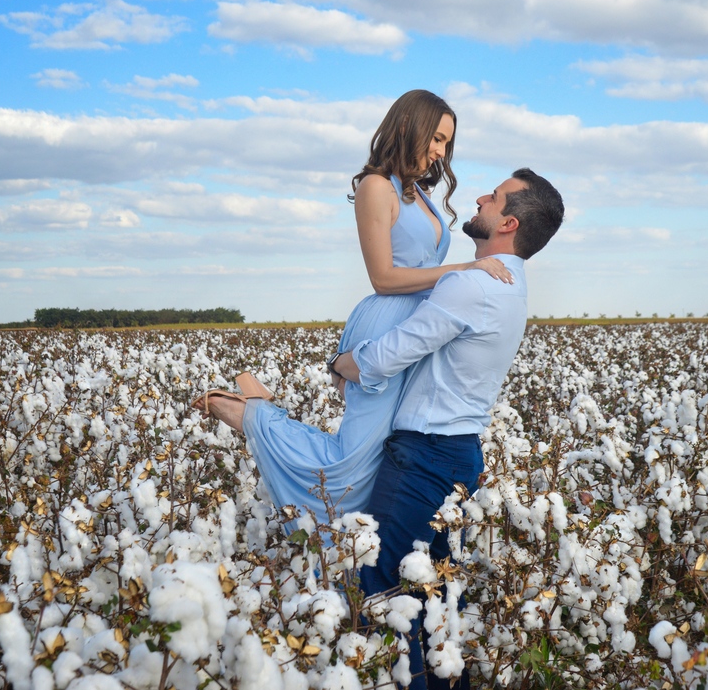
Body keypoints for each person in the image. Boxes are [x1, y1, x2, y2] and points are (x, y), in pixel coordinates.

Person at [194, 89, 512, 523]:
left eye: (446, 143)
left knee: (381, 456)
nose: (441, 151)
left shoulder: (417, 191)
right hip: (386, 322)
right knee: (353, 463)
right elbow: (382, 277)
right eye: (436, 138)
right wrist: (466, 270)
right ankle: (250, 413)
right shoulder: (375, 187)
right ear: (408, 126)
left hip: (414, 327)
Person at [331, 167, 565, 690]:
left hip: (423, 459)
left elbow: (395, 351)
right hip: (457, 457)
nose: (477, 197)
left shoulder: (473, 284)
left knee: (385, 590)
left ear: (506, 222)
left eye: (494, 196)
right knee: (430, 593)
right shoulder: (509, 284)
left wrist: (344, 362)